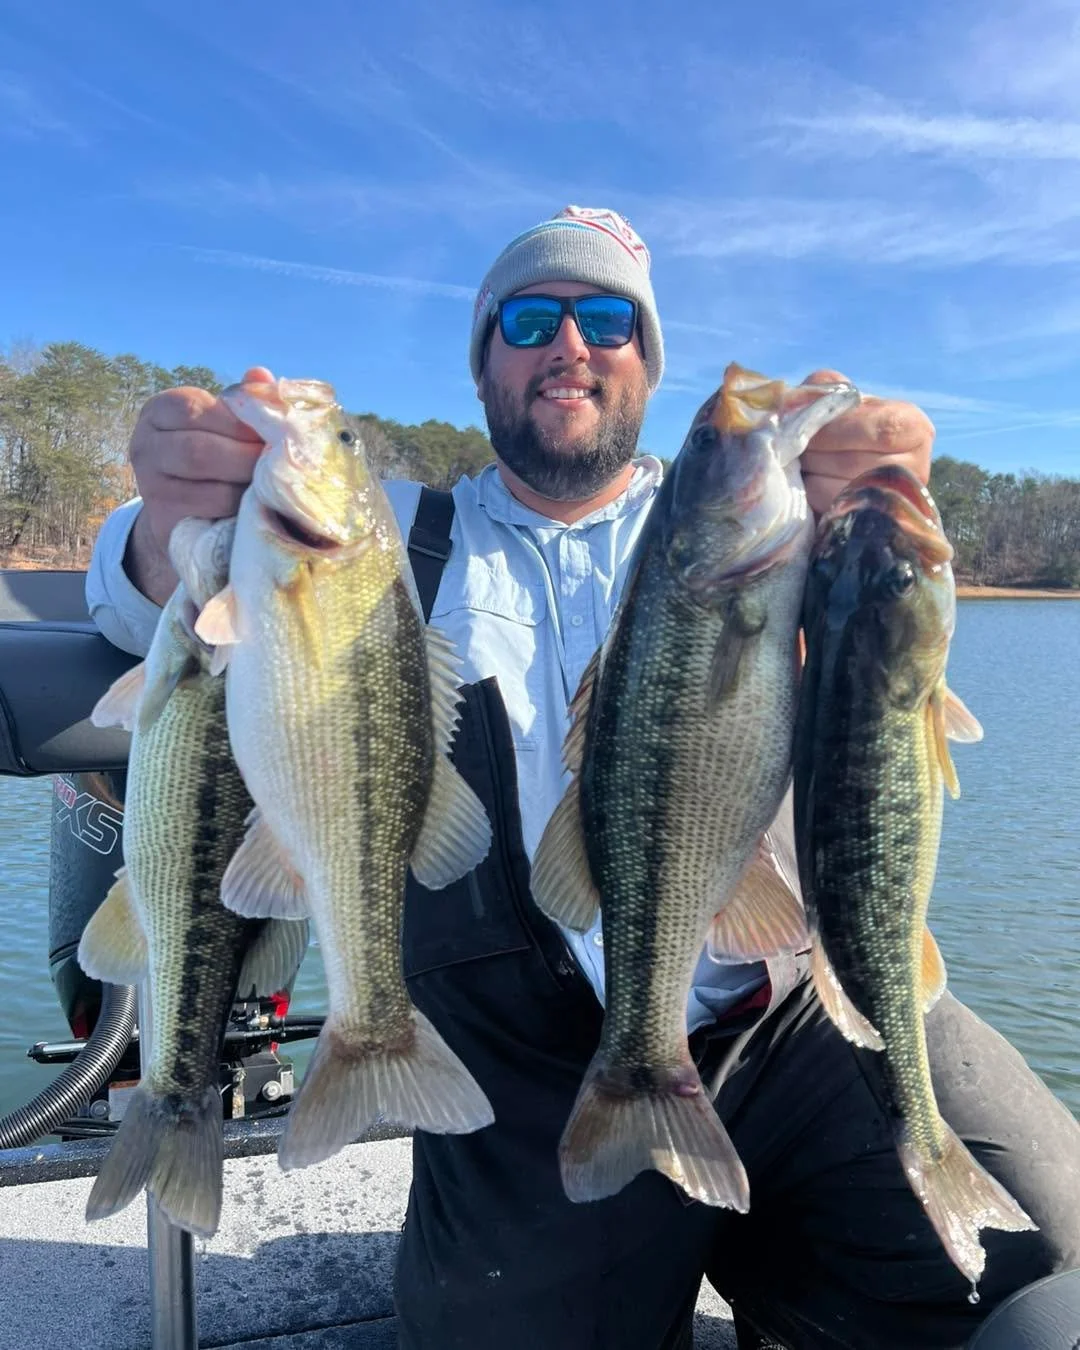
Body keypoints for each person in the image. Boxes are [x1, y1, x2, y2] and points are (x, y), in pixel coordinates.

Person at [86, 205, 1080, 1349]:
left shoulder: (767, 517)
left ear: (648, 364)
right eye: (530, 317)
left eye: (609, 319)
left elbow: (894, 639)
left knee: (1045, 1262)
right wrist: (167, 517)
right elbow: (159, 592)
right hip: (520, 1067)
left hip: (793, 1015)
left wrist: (884, 491)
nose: (571, 343)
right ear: (483, 364)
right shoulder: (384, 533)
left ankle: (778, 1270)